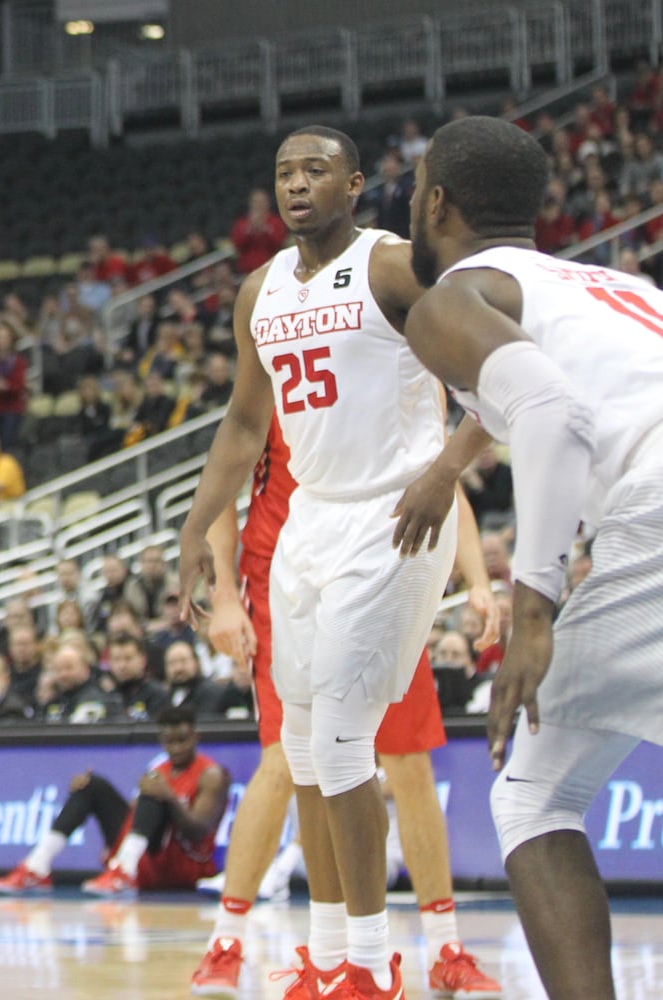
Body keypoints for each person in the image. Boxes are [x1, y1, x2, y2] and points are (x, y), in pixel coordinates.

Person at [177, 125, 482, 999]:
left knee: (348, 745)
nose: (297, 184)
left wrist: (447, 472)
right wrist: (200, 529)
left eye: (316, 170)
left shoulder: (392, 266)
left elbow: (502, 362)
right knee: (306, 751)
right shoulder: (259, 291)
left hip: (391, 519)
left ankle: (373, 958)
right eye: (283, 172)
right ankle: (321, 953)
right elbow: (243, 425)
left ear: (355, 185)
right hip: (307, 522)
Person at [402, 115, 663, 1000]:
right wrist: (448, 462)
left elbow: (553, 414)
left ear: (435, 200)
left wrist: (535, 604)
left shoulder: (448, 301)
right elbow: (539, 387)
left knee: (533, 800)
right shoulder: (608, 285)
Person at [189, 423, 504, 997]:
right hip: (287, 577)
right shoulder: (282, 351)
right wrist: (227, 596)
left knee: (408, 761)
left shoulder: (403, 358)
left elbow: (440, 473)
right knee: (287, 758)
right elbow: (228, 464)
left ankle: (444, 947)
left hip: (387, 566)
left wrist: (479, 579)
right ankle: (229, 941)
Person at [0, 706, 227, 895]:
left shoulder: (211, 774)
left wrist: (170, 797)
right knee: (92, 784)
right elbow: (141, 817)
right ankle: (36, 867)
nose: (175, 748)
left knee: (154, 791)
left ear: (196, 737)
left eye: (182, 740)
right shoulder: (159, 768)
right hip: (151, 861)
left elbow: (199, 831)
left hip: (185, 869)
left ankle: (124, 870)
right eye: (169, 741)